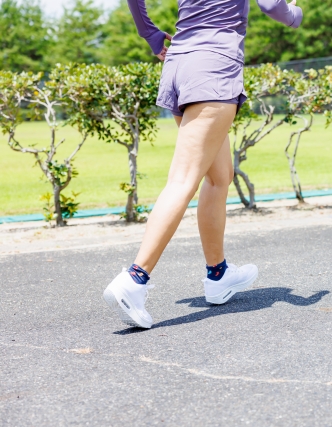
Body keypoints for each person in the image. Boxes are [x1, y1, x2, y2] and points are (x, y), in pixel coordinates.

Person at [103, 0, 303, 329]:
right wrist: (294, 15)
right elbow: (271, 5)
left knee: (218, 177)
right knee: (183, 181)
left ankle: (218, 274)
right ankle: (134, 279)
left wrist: (150, 34)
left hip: (180, 65)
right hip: (213, 68)